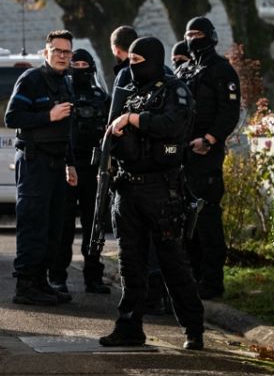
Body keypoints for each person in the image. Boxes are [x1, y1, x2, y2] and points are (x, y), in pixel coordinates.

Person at [98, 36, 204, 350]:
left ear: (155, 61)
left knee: (173, 261)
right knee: (130, 264)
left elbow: (171, 125)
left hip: (162, 189)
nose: (133, 68)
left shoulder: (175, 91)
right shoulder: (129, 93)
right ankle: (129, 329)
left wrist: (132, 120)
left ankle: (193, 330)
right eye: (129, 61)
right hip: (127, 189)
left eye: (139, 62)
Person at [6, 30, 81, 306]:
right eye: (57, 51)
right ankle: (25, 286)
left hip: (57, 162)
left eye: (67, 52)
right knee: (33, 224)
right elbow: (12, 116)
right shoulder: (31, 80)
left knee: (53, 227)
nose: (62, 56)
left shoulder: (66, 83)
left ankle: (41, 282)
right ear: (45, 52)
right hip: (34, 162)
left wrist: (70, 163)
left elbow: (66, 129)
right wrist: (48, 115)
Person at [180, 16, 240, 299]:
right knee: (185, 220)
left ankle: (212, 282)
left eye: (198, 33)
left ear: (211, 36)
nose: (193, 38)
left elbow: (229, 113)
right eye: (189, 33)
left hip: (206, 156)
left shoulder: (221, 70)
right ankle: (192, 276)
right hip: (183, 157)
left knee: (207, 219)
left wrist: (209, 140)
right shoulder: (187, 70)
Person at [48, 48, 112, 295]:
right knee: (63, 226)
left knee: (94, 225)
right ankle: (57, 276)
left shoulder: (101, 98)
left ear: (92, 68)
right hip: (68, 168)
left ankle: (93, 277)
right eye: (77, 64)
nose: (81, 69)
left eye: (85, 65)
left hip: (95, 170)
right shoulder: (62, 95)